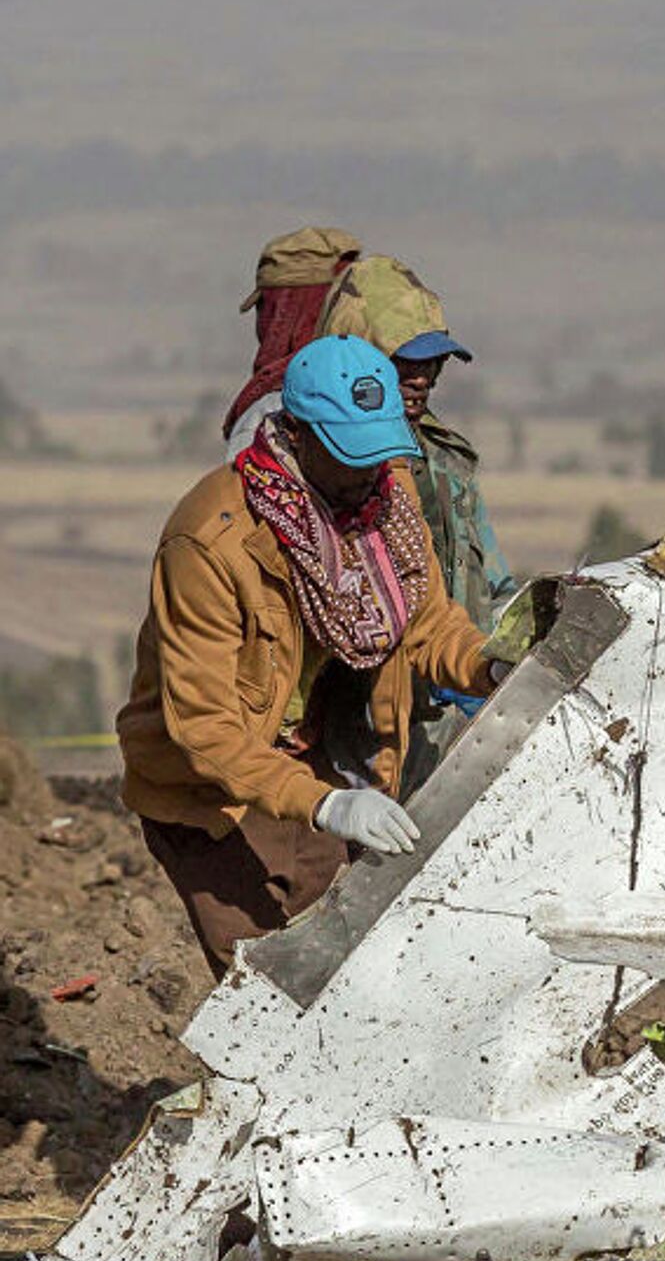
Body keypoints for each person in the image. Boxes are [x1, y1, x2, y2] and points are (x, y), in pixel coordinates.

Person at [119, 336, 503, 974]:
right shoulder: (211, 542)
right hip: (212, 796)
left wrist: (491, 666)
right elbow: (204, 728)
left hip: (312, 758)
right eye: (350, 456)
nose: (367, 475)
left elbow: (428, 622)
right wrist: (327, 805)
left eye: (378, 455)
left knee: (341, 970)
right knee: (262, 989)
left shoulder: (384, 503)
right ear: (297, 435)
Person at [316, 253, 517, 787]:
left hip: (450, 709)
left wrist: (496, 657)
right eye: (403, 364)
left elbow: (488, 578)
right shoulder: (323, 466)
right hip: (357, 726)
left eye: (432, 364)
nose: (421, 379)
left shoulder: (443, 458)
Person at [223, 226, 361, 450]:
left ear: (283, 313)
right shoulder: (378, 391)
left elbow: (242, 482)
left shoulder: (273, 409)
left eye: (266, 308)